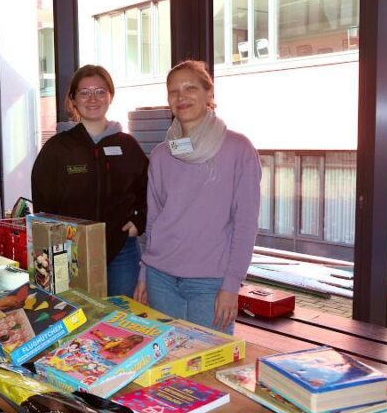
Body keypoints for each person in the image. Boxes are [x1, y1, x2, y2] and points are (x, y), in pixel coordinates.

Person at [134, 60, 260, 335]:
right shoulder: (160, 155)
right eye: (173, 91)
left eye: (190, 88)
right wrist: (144, 273)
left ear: (209, 95)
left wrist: (231, 285)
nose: (181, 97)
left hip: (210, 283)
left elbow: (246, 226)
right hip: (160, 278)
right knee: (165, 364)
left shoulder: (239, 149)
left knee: (209, 366)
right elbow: (154, 221)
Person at [31, 65, 148, 297]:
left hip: (121, 252)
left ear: (110, 96)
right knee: (77, 318)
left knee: (120, 318)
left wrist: (139, 221)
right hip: (70, 253)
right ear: (73, 99)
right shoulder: (57, 149)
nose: (93, 98)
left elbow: (149, 191)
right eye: (84, 92)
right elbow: (43, 204)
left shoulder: (128, 146)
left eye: (100, 91)